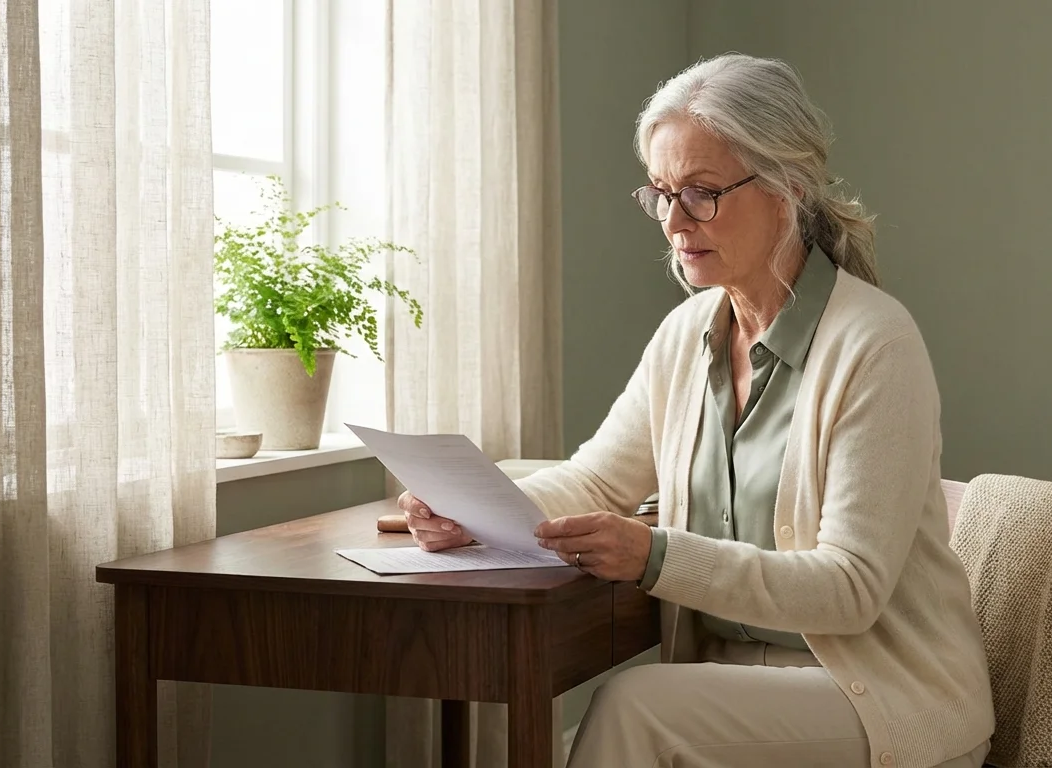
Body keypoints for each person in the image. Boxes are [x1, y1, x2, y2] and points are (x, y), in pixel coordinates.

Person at [398, 53, 994, 768]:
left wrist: (654, 555)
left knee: (634, 707)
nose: (676, 222)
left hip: (882, 697)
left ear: (787, 188)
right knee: (644, 706)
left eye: (702, 193)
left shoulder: (875, 344)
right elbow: (595, 481)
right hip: (736, 689)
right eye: (661, 194)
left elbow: (850, 590)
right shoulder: (688, 335)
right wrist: (479, 513)